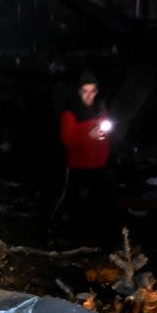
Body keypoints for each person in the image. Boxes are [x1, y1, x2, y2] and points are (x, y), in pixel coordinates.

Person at [54, 70, 114, 222]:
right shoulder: (71, 114)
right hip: (78, 169)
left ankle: (101, 240)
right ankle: (55, 233)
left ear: (96, 91)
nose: (89, 95)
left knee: (101, 205)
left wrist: (104, 141)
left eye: (92, 91)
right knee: (71, 203)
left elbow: (107, 136)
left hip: (99, 168)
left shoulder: (100, 111)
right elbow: (67, 140)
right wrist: (88, 135)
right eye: (85, 91)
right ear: (79, 92)